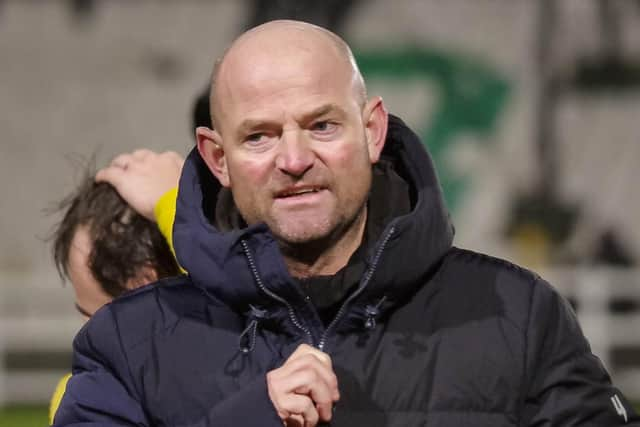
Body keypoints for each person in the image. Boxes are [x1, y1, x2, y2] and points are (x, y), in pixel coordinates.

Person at [52, 20, 639, 427]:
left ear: (373, 131)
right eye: (259, 135)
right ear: (216, 158)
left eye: (322, 125)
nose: (294, 158)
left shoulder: (519, 314)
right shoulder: (126, 343)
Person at [48, 163, 183, 424]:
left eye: (91, 316)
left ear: (147, 281)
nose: (83, 332)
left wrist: (174, 208)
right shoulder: (85, 399)